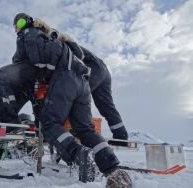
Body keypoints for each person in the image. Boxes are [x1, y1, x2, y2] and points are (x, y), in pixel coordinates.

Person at [12, 13, 132, 187]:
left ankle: (77, 153)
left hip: (81, 72)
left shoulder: (46, 37)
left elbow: (44, 65)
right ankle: (113, 168)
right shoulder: (64, 44)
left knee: (51, 121)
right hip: (87, 75)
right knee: (89, 122)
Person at [33, 19, 128, 146]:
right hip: (102, 69)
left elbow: (76, 59)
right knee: (105, 105)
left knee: (73, 96)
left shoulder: (55, 42)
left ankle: (76, 133)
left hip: (91, 68)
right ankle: (121, 136)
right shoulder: (58, 42)